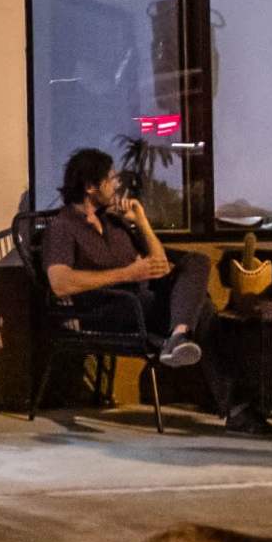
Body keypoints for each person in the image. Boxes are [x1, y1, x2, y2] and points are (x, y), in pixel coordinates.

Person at [41, 149, 177, 409]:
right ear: (90, 187)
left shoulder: (114, 223)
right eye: (111, 179)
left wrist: (141, 221)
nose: (116, 185)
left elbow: (160, 267)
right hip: (103, 311)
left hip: (139, 303)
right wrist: (128, 273)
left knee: (196, 264)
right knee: (202, 312)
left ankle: (179, 335)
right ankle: (234, 408)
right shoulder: (62, 226)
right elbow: (59, 283)